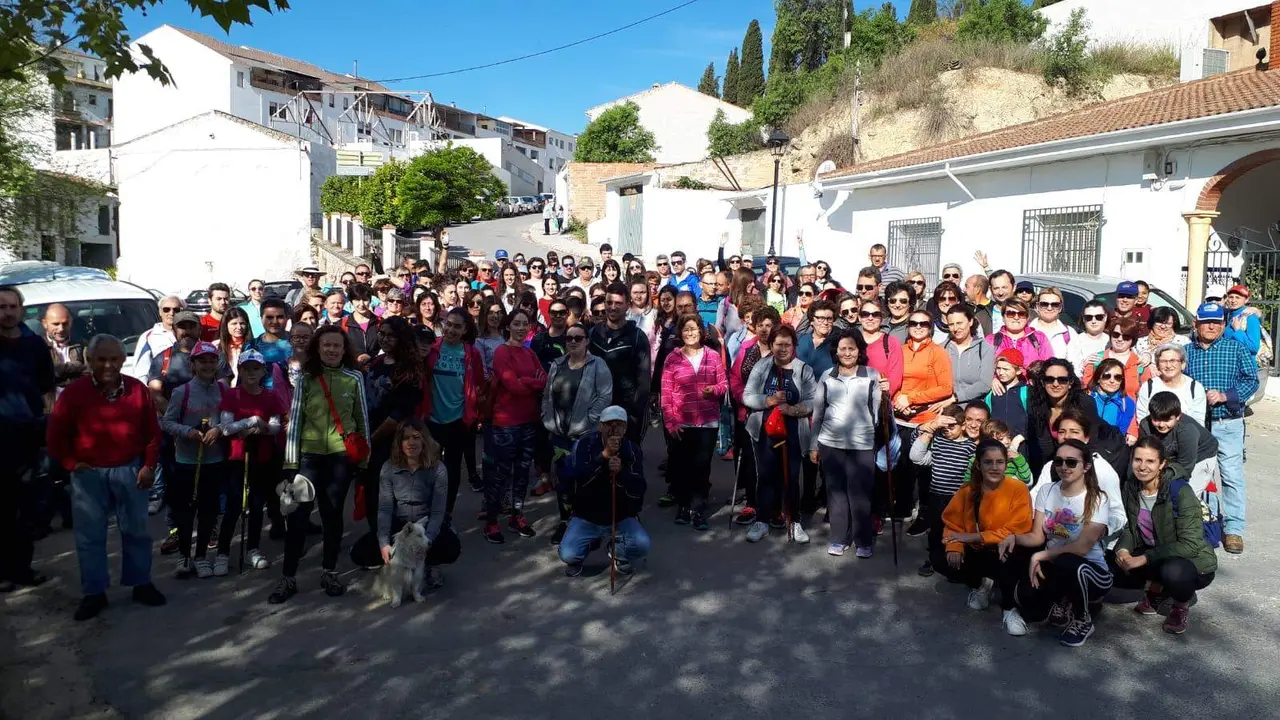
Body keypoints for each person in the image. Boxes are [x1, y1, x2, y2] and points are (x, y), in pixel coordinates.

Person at [45, 334, 166, 620]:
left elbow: (152, 433)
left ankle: (141, 583)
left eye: (114, 359)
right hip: (90, 475)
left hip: (130, 469)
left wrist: (149, 465)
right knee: (90, 536)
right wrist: (70, 463)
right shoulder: (75, 393)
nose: (108, 365)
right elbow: (55, 435)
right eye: (101, 359)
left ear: (123, 360)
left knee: (136, 531)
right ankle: (94, 593)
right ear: (89, 361)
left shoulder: (137, 390)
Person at [271, 325, 369, 604]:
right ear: (317, 347)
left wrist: (364, 460)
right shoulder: (306, 379)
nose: (331, 349)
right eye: (326, 345)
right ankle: (288, 577)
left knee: (332, 515)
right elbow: (296, 421)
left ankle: (330, 571)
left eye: (337, 345)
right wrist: (291, 462)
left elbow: (362, 419)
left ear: (344, 349)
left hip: (340, 456)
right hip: (309, 456)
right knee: (298, 518)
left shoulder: (354, 378)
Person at [1007, 439, 1127, 647]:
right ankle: (1061, 600)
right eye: (1059, 461)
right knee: (1027, 597)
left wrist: (1040, 555)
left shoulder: (1098, 498)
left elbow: (1082, 548)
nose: (1063, 467)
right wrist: (1013, 537)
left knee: (1067, 562)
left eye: (1071, 462)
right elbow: (1037, 537)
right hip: (1056, 567)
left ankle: (1083, 620)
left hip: (1091, 572)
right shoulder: (1047, 490)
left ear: (1086, 467)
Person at [1111, 438, 1217, 635]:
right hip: (1156, 553)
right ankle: (1156, 592)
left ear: (1162, 464)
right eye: (1137, 460)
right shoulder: (1132, 486)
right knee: (1111, 563)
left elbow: (1190, 543)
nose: (1142, 467)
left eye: (1150, 461)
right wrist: (1123, 550)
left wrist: (1143, 558)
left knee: (1173, 572)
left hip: (1191, 561)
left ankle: (1180, 605)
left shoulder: (1180, 491)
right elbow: (1129, 528)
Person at [937, 439, 1034, 636]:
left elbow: (1019, 527)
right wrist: (954, 547)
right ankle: (982, 584)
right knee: (941, 558)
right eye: (988, 462)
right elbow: (952, 523)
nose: (995, 467)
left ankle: (1009, 609)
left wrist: (973, 537)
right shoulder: (967, 490)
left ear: (1006, 464)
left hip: (1006, 548)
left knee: (1008, 555)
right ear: (979, 465)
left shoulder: (1018, 489)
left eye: (1000, 462)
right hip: (979, 550)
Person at [1185, 301, 1257, 555]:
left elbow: (1252, 381)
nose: (1211, 326)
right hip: (1196, 426)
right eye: (1206, 322)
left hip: (1227, 422)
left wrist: (1226, 396)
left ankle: (1234, 529)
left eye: (1216, 322)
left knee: (1231, 476)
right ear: (1197, 324)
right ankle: (1203, 523)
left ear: (1224, 325)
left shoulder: (1235, 348)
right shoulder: (1186, 352)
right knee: (1197, 476)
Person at [742, 325, 818, 544]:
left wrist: (794, 410)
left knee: (791, 478)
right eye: (778, 344)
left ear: (794, 345)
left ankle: (794, 521)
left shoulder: (804, 370)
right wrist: (768, 401)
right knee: (765, 476)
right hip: (764, 429)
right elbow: (747, 396)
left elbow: (814, 401)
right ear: (771, 345)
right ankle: (762, 520)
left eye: (787, 344)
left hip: (794, 430)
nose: (783, 349)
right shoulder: (761, 366)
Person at [160, 340, 229, 579]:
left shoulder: (223, 389)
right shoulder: (182, 391)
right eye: (202, 361)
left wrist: (218, 429)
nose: (208, 365)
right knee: (185, 510)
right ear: (193, 364)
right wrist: (188, 432)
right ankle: (185, 556)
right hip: (186, 460)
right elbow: (167, 422)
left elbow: (229, 419)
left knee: (209, 510)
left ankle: (201, 556)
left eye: (212, 360)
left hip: (215, 459)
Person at [356, 317, 423, 553]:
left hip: (395, 444)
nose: (384, 338)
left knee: (398, 499)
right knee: (373, 496)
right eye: (381, 333)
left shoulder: (411, 370)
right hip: (370, 442)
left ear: (401, 338)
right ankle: (380, 543)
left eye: (390, 334)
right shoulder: (374, 364)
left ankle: (402, 547)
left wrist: (371, 440)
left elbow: (398, 415)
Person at [556, 406, 649, 576]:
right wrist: (603, 457)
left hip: (620, 517)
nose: (614, 429)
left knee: (642, 544)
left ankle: (618, 551)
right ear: (600, 426)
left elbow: (640, 487)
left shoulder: (632, 449)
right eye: (609, 424)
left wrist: (621, 472)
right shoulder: (586, 444)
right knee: (568, 553)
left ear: (625, 428)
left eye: (619, 425)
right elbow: (580, 478)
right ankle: (587, 545)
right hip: (588, 516)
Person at [811, 332, 881, 558]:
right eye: (843, 349)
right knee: (836, 492)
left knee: (860, 493)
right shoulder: (827, 376)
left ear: (859, 351)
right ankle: (839, 538)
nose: (847, 353)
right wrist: (814, 445)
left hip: (862, 443)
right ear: (836, 351)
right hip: (830, 442)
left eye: (852, 348)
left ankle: (863, 540)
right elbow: (818, 413)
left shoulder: (871, 375)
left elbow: (878, 412)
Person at [215, 349, 286, 571]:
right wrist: (252, 420)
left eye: (256, 368)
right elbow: (225, 429)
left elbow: (274, 427)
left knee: (256, 505)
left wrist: (258, 429)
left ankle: (252, 549)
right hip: (237, 457)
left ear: (263, 370)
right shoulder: (231, 395)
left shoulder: (270, 396)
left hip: (262, 457)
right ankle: (222, 553)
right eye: (247, 369)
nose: (251, 373)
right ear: (240, 371)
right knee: (235, 505)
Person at [542, 323, 612, 544]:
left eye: (578, 338)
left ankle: (587, 525)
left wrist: (589, 420)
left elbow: (604, 396)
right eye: (569, 338)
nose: (573, 342)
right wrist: (547, 418)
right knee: (563, 482)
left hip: (585, 435)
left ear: (586, 341)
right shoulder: (558, 364)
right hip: (558, 435)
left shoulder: (597, 365)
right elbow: (547, 395)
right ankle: (566, 522)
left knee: (586, 481)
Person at [482, 309, 547, 543]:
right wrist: (531, 382)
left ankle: (516, 516)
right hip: (505, 424)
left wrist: (526, 382)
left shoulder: (529, 354)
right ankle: (491, 521)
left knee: (522, 473)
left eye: (525, 324)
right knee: (500, 475)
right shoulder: (502, 352)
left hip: (529, 422)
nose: (521, 328)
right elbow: (513, 386)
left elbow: (545, 380)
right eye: (516, 324)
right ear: (508, 327)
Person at [661, 314, 728, 531]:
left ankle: (698, 508)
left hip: (707, 422)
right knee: (682, 466)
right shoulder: (672, 358)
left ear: (701, 332)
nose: (690, 333)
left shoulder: (712, 355)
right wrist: (671, 423)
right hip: (682, 422)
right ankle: (683, 505)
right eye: (686, 329)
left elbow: (723, 384)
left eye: (694, 329)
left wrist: (714, 390)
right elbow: (666, 393)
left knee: (701, 468)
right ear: (680, 333)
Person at [375, 421, 461, 589]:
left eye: (416, 437)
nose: (411, 443)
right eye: (405, 438)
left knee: (451, 548)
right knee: (362, 553)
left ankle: (430, 566)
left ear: (424, 441)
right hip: (400, 526)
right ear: (399, 443)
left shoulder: (438, 469)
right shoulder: (388, 468)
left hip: (425, 526)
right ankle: (397, 565)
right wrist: (384, 543)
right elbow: (385, 509)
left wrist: (426, 541)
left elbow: (438, 512)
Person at [911, 402, 988, 576]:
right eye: (945, 427)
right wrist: (931, 427)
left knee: (956, 528)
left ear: (961, 426)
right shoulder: (938, 440)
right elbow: (916, 448)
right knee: (936, 528)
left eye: (952, 427)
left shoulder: (970, 447)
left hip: (957, 497)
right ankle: (933, 558)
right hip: (936, 495)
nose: (947, 430)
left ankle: (955, 558)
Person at [423, 308, 486, 519]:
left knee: (451, 470)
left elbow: (478, 384)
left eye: (457, 326)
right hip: (431, 420)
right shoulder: (432, 350)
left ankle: (446, 513)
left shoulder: (471, 353)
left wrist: (476, 414)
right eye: (448, 324)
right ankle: (426, 511)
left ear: (465, 329)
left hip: (458, 420)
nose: (450, 330)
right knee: (428, 468)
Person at [589, 283, 652, 443]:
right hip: (597, 410)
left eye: (618, 303)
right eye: (609, 303)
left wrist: (634, 413)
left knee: (627, 461)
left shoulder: (637, 337)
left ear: (628, 306)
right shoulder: (593, 334)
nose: (613, 307)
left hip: (626, 410)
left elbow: (643, 380)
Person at [1140, 392, 1218, 493]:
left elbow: (1185, 469)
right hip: (1174, 455)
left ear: (1178, 416)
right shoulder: (1145, 425)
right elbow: (1144, 455)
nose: (1161, 425)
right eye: (1156, 419)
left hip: (1201, 456)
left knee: (1185, 495)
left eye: (1167, 420)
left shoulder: (1187, 430)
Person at [1136, 343, 1206, 426]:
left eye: (1173, 361)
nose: (1168, 366)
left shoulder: (1195, 388)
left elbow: (1198, 422)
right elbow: (1142, 419)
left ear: (1183, 364)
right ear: (1158, 365)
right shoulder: (1148, 387)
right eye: (1163, 361)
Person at [1082, 318, 1150, 396]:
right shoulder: (1096, 359)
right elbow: (1086, 388)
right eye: (1116, 335)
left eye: (1126, 336)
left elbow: (1146, 394)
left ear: (1133, 340)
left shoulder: (1140, 363)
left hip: (1129, 407)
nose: (1120, 339)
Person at [944, 305, 994, 406]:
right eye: (951, 324)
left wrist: (956, 397)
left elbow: (985, 384)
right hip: (946, 407)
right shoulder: (942, 349)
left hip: (974, 408)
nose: (955, 328)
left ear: (970, 322)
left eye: (959, 323)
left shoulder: (984, 348)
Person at [129, 295, 183, 380]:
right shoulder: (148, 337)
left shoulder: (191, 335)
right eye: (166, 309)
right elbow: (141, 372)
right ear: (160, 312)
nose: (171, 313)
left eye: (176, 310)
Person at [986, 300, 1052, 365]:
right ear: (1003, 317)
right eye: (1011, 313)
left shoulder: (1039, 338)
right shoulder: (991, 340)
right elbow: (985, 368)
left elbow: (1049, 367)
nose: (1016, 317)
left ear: (1027, 317)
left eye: (1021, 314)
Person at [1089, 358, 1138, 443]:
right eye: (1106, 376)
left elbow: (1119, 433)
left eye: (1117, 377)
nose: (1112, 381)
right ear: (1098, 378)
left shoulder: (1127, 403)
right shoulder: (1087, 398)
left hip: (1111, 448)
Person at [42, 303, 86, 393]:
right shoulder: (37, 346)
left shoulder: (82, 345)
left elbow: (89, 372)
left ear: (71, 322)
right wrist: (76, 366)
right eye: (56, 324)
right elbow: (44, 373)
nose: (61, 329)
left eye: (65, 323)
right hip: (49, 404)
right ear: (45, 324)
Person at [985, 349, 1029, 438]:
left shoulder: (1026, 392)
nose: (1001, 372)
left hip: (1020, 443)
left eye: (1006, 369)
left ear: (1019, 370)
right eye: (998, 368)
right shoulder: (992, 392)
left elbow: (1033, 421)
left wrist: (1021, 437)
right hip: (996, 442)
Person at [1066, 300, 1110, 378]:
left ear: (1105, 317)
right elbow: (1069, 371)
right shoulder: (1075, 341)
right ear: (1083, 319)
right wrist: (1084, 365)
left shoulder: (1113, 340)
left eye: (1099, 317)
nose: (1093, 321)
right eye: (1088, 317)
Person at [1029, 287, 1076, 359]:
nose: (1049, 308)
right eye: (1044, 304)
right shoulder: (1027, 331)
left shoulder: (1069, 333)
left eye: (1055, 305)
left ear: (1060, 308)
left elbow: (1075, 365)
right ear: (1037, 306)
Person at [797, 300, 837, 379]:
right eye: (821, 318)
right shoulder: (800, 340)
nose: (825, 322)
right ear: (812, 321)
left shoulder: (838, 344)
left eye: (829, 319)